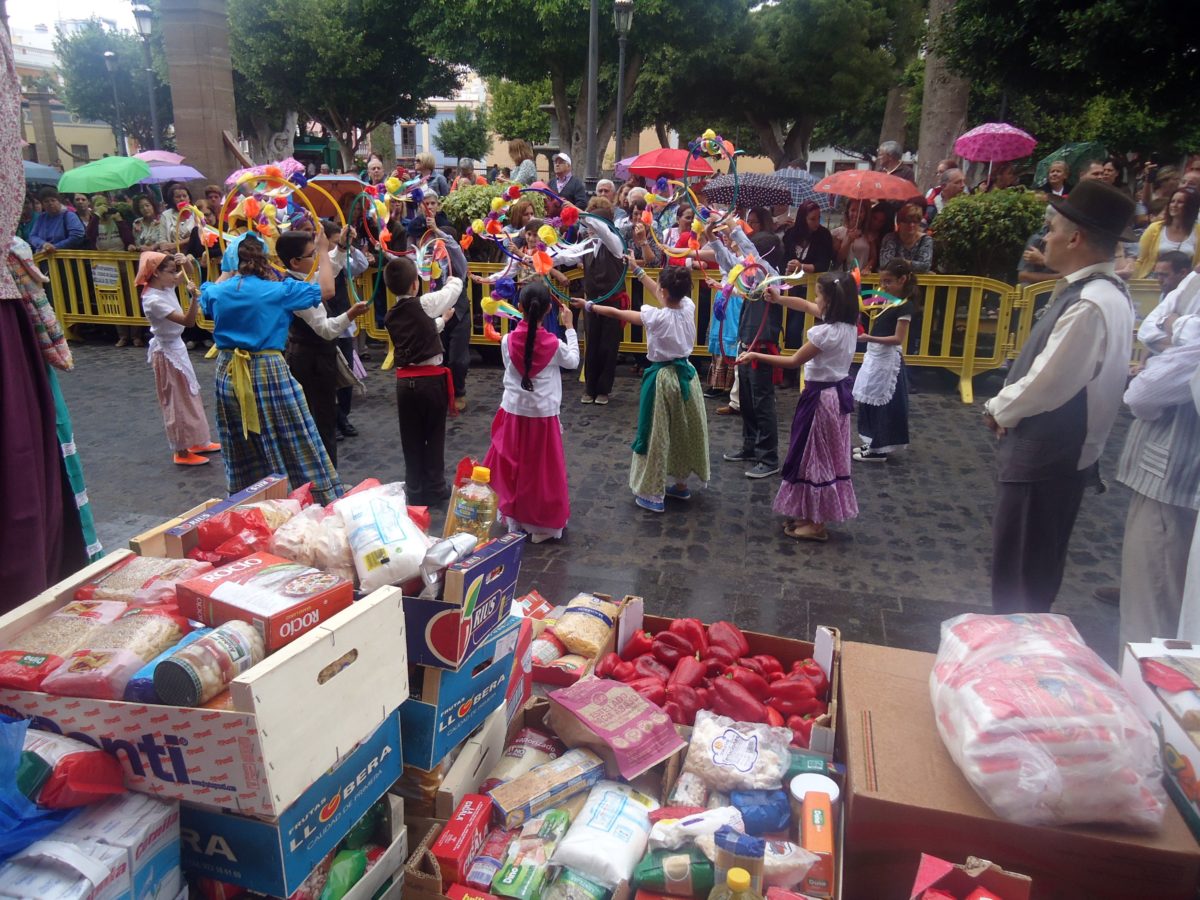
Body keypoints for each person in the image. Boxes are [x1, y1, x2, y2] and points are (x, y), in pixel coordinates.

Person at [983, 180, 1137, 613]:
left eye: (1051, 227)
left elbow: (1049, 379)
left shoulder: (1091, 301)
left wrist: (999, 408)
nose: (1045, 236)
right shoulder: (1103, 294)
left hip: (1046, 455)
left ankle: (1017, 664)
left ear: (1075, 237)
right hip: (1061, 456)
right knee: (1031, 567)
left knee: (1021, 578)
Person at [199, 231, 343, 504]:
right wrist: (323, 252)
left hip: (228, 372)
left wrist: (228, 269)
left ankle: (250, 498)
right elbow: (327, 290)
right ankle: (307, 497)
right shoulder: (278, 291)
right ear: (264, 259)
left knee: (240, 437)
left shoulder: (218, 292)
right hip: (268, 370)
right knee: (293, 433)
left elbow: (206, 292)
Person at [737, 272, 861, 542]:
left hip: (821, 400)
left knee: (816, 457)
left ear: (829, 301)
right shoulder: (850, 325)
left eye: (819, 295)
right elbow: (806, 306)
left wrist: (756, 354)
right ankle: (810, 513)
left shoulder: (825, 333)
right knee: (818, 455)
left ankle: (817, 523)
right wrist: (780, 299)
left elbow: (794, 361)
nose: (815, 301)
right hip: (834, 397)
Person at [577, 264, 710, 513]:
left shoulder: (657, 318)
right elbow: (661, 291)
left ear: (663, 290)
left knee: (655, 433)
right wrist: (638, 271)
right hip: (687, 377)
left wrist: (589, 306)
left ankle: (653, 493)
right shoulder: (688, 307)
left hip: (663, 378)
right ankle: (681, 484)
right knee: (682, 429)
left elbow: (618, 313)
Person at [1115, 315, 1200, 646]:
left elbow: (1143, 394)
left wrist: (1174, 333)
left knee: (1152, 607)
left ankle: (1145, 690)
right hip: (1175, 481)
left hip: (1174, 481)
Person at [483, 283, 578, 539]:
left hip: (514, 412)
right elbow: (573, 361)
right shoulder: (554, 344)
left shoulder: (507, 341)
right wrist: (569, 327)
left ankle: (515, 517)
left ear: (520, 308)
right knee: (541, 472)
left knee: (515, 468)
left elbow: (510, 365)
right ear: (549, 310)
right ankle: (541, 523)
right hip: (543, 415)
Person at [277, 229, 369, 466]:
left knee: (325, 418)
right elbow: (326, 329)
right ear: (295, 262)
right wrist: (350, 314)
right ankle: (324, 483)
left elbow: (330, 271)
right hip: (310, 361)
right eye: (313, 254)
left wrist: (338, 248)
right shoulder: (294, 288)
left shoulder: (304, 278)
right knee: (318, 422)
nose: (318, 258)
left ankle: (328, 478)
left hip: (318, 358)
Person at [384, 254, 465, 506]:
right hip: (430, 383)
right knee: (434, 434)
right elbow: (453, 290)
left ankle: (415, 487)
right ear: (415, 285)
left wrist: (443, 321)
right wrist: (453, 276)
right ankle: (436, 486)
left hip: (405, 385)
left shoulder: (391, 315)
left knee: (411, 437)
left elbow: (422, 331)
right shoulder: (425, 303)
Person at [136, 251, 222, 467]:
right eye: (170, 271)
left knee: (190, 394)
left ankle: (198, 441)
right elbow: (188, 321)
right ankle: (181, 451)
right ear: (156, 273)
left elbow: (186, 275)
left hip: (176, 346)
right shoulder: (152, 299)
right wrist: (194, 298)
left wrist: (188, 262)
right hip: (166, 351)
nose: (175, 276)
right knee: (176, 401)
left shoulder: (163, 286)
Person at [853, 258, 916, 461]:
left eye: (888, 281)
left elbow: (897, 338)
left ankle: (880, 445)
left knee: (883, 402)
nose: (883, 286)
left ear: (903, 280)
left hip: (887, 359)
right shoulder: (888, 300)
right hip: (875, 356)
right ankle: (871, 441)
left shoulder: (905, 307)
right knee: (869, 397)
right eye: (882, 281)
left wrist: (869, 337)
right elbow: (864, 304)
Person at [579, 197, 626, 405]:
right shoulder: (587, 245)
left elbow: (605, 232)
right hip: (591, 303)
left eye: (592, 224)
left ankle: (603, 389)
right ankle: (590, 387)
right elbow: (566, 255)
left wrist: (584, 216)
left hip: (612, 303)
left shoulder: (615, 242)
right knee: (592, 345)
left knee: (608, 346)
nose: (589, 228)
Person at [1133, 187, 1200, 279]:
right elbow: (1140, 259)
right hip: (1153, 280)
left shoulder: (1198, 231)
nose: (1174, 205)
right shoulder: (1154, 228)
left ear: (1190, 206)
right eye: (1172, 201)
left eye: (1180, 202)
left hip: (1186, 282)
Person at [878, 202, 933, 273]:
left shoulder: (926, 240)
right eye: (907, 221)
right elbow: (885, 264)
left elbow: (925, 266)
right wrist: (912, 265)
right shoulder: (890, 238)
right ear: (899, 222)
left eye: (915, 222)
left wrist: (899, 262)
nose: (911, 225)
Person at [29, 188, 84, 253]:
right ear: (42, 205)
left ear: (59, 201)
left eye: (53, 200)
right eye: (46, 201)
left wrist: (55, 247)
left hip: (66, 257)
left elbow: (77, 236)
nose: (50, 203)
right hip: (43, 257)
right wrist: (44, 244)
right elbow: (32, 236)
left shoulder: (69, 216)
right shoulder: (41, 218)